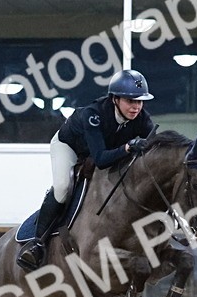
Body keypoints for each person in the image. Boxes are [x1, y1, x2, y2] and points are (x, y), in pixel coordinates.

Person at [16, 69, 156, 271]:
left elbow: (151, 145)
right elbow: (100, 159)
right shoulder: (94, 115)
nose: (136, 107)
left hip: (101, 150)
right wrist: (127, 147)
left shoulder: (141, 118)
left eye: (140, 101)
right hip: (70, 147)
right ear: (115, 99)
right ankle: (37, 244)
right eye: (130, 101)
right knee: (63, 188)